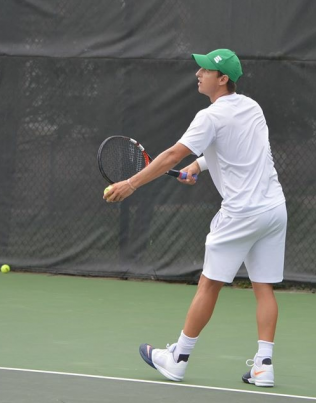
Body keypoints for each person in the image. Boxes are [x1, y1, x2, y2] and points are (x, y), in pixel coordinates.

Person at [103, 49, 286, 387]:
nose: (198, 74)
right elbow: (242, 150)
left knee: (209, 283)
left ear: (223, 78)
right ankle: (264, 366)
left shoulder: (209, 117)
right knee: (264, 288)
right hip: (273, 209)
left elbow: (173, 153)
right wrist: (198, 165)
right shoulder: (252, 107)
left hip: (241, 213)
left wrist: (131, 183)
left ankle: (178, 358)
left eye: (204, 70)